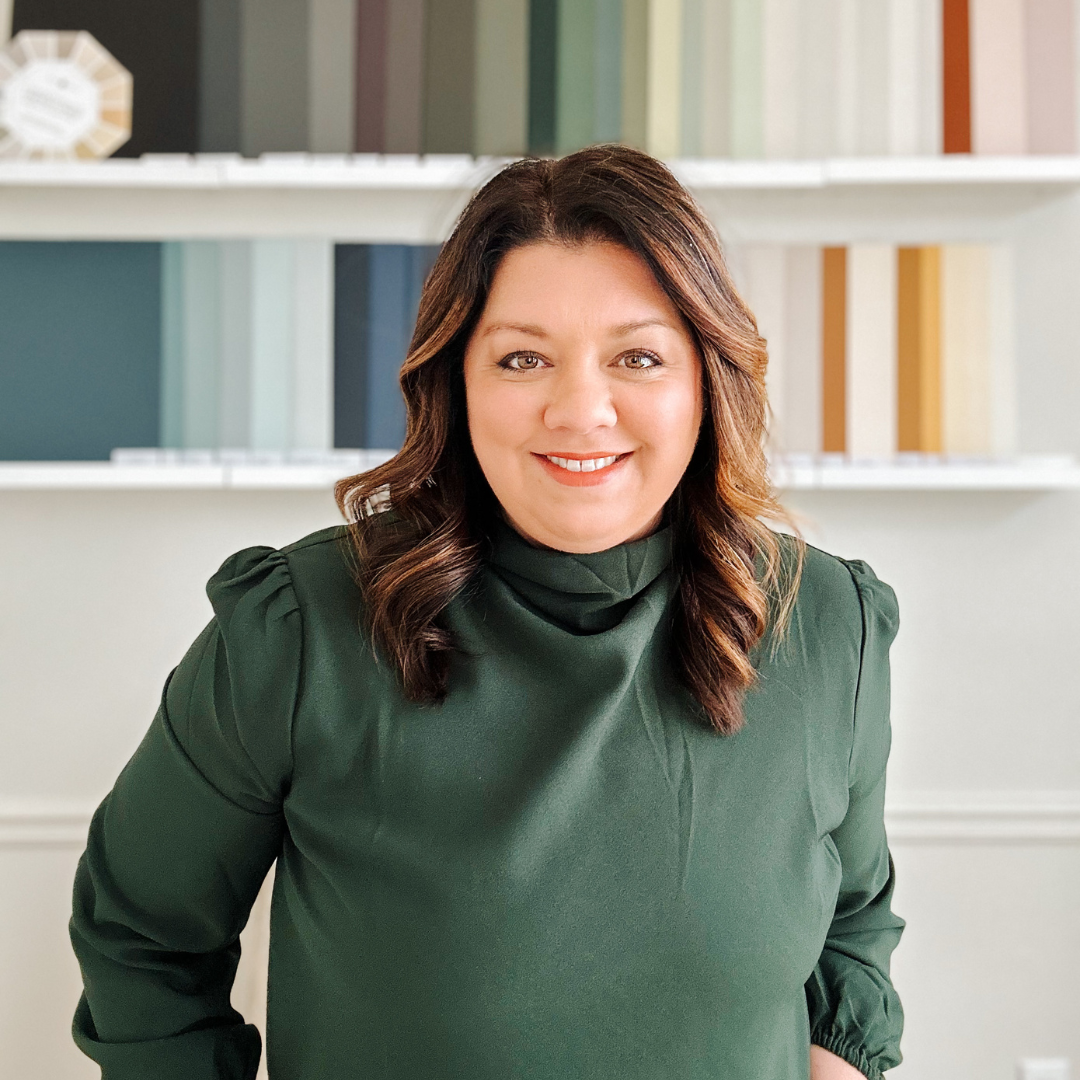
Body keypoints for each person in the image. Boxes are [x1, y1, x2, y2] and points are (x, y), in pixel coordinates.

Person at [70, 145, 904, 1080]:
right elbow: (140, 935)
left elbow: (852, 921)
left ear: (706, 380)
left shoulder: (829, 622)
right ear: (456, 382)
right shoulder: (297, 629)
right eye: (522, 358)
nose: (581, 410)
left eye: (637, 355)